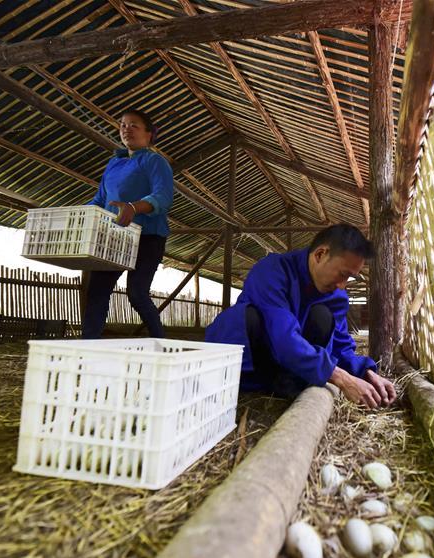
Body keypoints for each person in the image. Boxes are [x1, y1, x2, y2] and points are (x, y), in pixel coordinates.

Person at [205, 224, 397, 409]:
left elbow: (340, 344)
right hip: (250, 366)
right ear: (320, 254)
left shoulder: (336, 296)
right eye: (342, 274)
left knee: (323, 316)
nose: (342, 285)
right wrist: (341, 378)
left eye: (349, 278)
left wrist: (366, 372)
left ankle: (290, 383)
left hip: (289, 371)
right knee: (250, 316)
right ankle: (257, 383)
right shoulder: (271, 271)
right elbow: (282, 337)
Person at [82, 109, 174, 339]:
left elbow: (163, 197)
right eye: (122, 125)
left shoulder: (155, 161)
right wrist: (80, 213)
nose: (126, 129)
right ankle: (87, 346)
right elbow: (100, 200)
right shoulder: (114, 164)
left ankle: (160, 342)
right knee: (97, 291)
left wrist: (133, 208)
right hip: (114, 236)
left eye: (134, 125)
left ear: (150, 134)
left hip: (148, 237)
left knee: (137, 293)